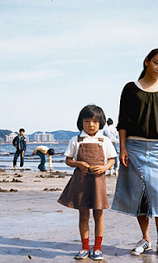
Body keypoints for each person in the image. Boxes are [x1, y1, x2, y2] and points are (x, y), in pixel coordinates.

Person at [111, 49, 158, 257]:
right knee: (140, 197)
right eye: (157, 63)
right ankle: (145, 239)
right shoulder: (131, 89)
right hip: (134, 147)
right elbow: (122, 122)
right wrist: (122, 148)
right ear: (147, 61)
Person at [58, 105, 117, 261]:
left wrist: (104, 167)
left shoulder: (104, 140)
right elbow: (68, 160)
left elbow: (112, 160)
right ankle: (84, 247)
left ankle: (97, 248)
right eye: (87, 121)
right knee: (83, 214)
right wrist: (79, 164)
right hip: (81, 181)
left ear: (101, 123)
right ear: (81, 122)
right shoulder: (76, 140)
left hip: (98, 181)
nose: (91, 124)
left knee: (99, 214)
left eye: (95, 121)